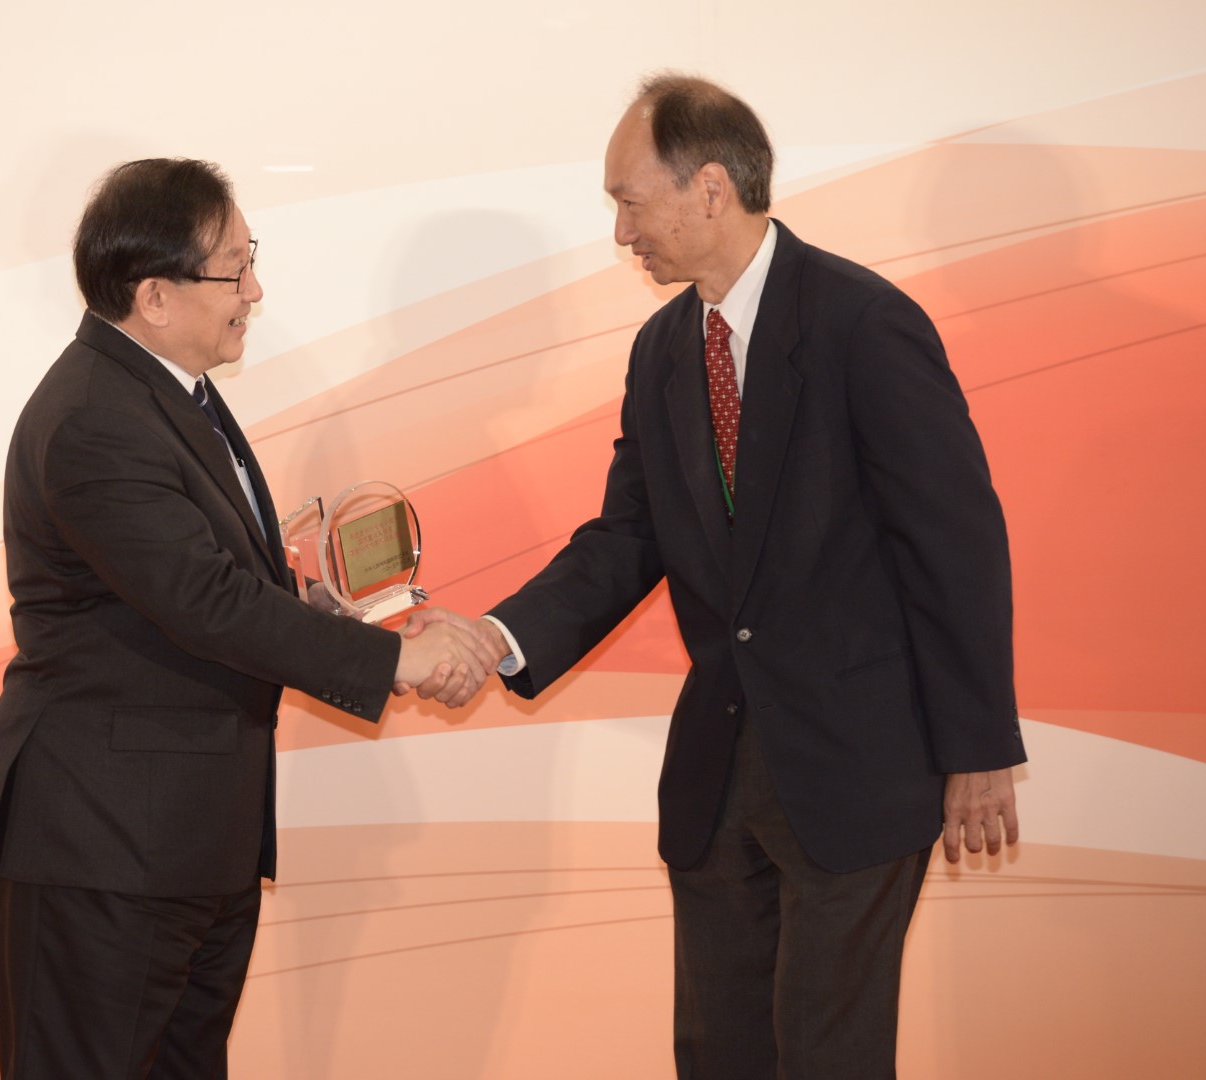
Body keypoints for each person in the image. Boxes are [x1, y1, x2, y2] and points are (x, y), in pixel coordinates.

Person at [410, 75, 1026, 1078]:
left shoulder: (863, 324)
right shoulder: (661, 352)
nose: (619, 234)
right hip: (719, 780)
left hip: (857, 770)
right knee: (718, 1054)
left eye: (628, 200)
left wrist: (979, 746)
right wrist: (496, 637)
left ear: (708, 189)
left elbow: (955, 540)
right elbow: (626, 540)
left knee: (827, 1054)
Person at [0, 157, 496, 1079]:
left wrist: (318, 607)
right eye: (234, 269)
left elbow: (214, 582)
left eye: (252, 260)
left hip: (185, 848)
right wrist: (395, 665)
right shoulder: (96, 418)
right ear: (156, 295)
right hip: (105, 851)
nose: (255, 290)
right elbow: (204, 603)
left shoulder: (174, 397)